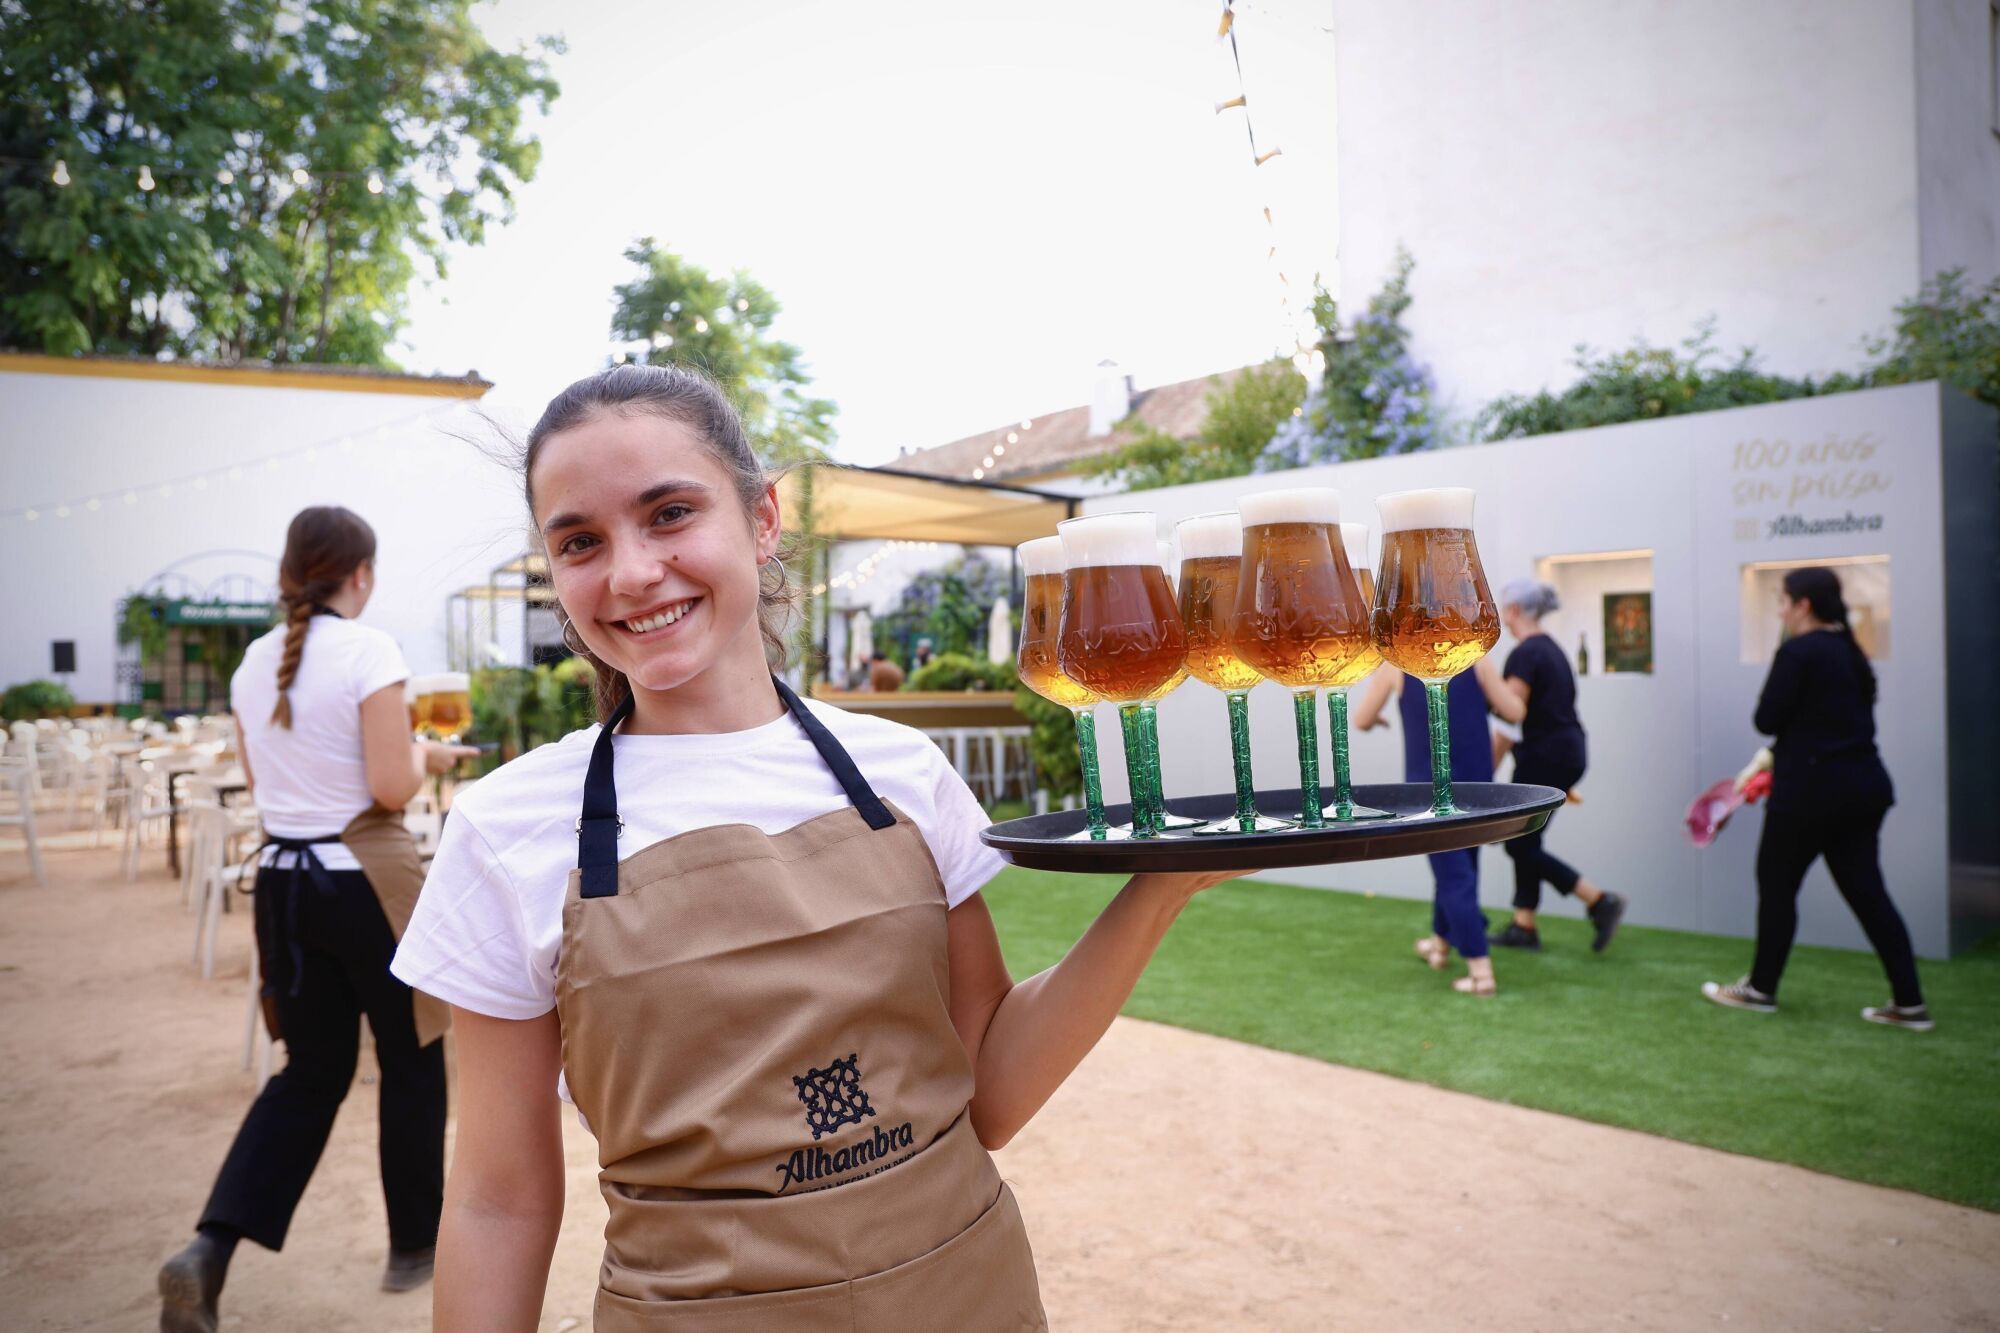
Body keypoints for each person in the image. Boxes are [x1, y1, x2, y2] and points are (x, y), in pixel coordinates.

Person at [389, 364, 1243, 1330]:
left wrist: (1157, 891)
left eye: (669, 513)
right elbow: (500, 1200)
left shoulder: (903, 771)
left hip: (969, 1299)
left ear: (762, 520)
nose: (629, 571)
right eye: (580, 540)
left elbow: (990, 1091)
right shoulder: (508, 827)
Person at [158, 507, 477, 1333]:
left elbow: (273, 782)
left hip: (284, 886)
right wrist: (429, 755)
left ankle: (210, 1248)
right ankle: (413, 1247)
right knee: (412, 1060)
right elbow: (389, 787)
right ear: (360, 574)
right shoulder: (371, 650)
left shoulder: (254, 661)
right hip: (366, 878)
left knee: (308, 1073)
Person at [1702, 567, 1931, 1029]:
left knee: (1777, 884)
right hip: (1863, 789)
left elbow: (1768, 718)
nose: (1781, 611)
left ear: (1803, 604)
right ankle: (1910, 1003)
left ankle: (1761, 989)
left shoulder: (1798, 651)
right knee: (1869, 893)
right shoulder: (1851, 651)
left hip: (1809, 794)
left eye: (1783, 602)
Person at [1473, 580, 1627, 951]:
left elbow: (1512, 718)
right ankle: (1524, 926)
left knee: (1518, 844)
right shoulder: (1552, 650)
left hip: (1546, 755)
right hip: (1565, 754)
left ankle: (1598, 901)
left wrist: (1484, 774)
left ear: (1512, 611)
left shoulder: (1525, 654)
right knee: (1527, 839)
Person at [1354, 665, 1497, 996]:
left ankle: (1481, 972)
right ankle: (1440, 946)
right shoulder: (1474, 658)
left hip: (1429, 788)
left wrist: (1378, 720)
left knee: (1453, 874)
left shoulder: (1396, 665)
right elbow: (1514, 710)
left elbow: (1361, 718)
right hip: (1477, 784)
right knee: (1460, 869)